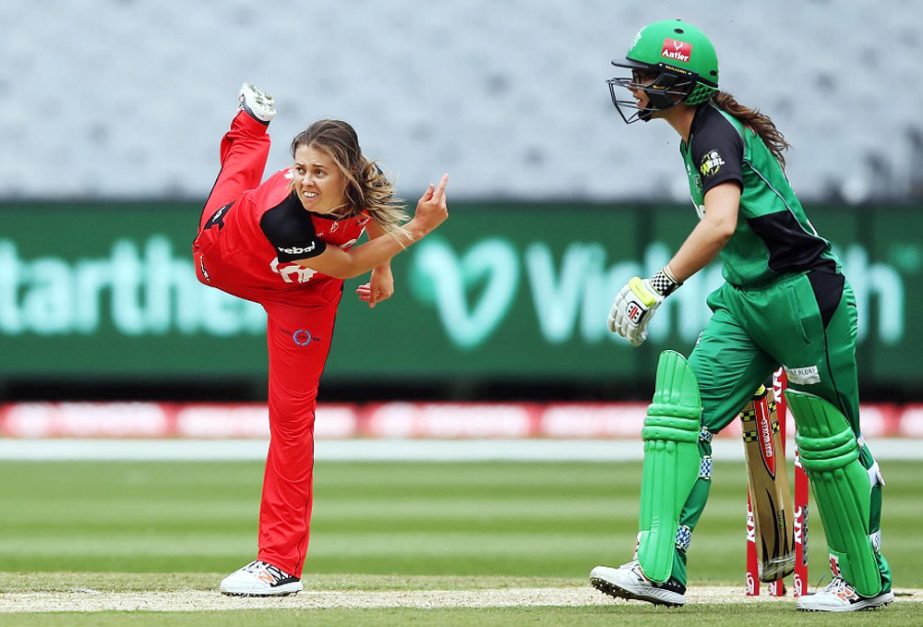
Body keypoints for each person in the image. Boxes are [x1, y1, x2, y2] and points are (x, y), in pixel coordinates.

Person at [589, 20, 893, 612]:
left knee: (829, 444)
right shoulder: (695, 137)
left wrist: (655, 287)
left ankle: (865, 579)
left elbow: (721, 223)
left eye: (644, 75)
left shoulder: (713, 135)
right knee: (683, 413)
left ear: (676, 83)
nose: (633, 85)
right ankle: (659, 569)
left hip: (805, 299)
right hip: (747, 300)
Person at [194, 83, 449, 596]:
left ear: (348, 173)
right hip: (225, 257)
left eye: (319, 171)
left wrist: (388, 265)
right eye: (301, 169)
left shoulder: (366, 179)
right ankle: (252, 125)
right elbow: (351, 263)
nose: (306, 182)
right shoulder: (283, 215)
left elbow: (373, 213)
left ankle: (278, 565)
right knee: (238, 172)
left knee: (292, 420)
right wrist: (417, 231)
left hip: (304, 296)